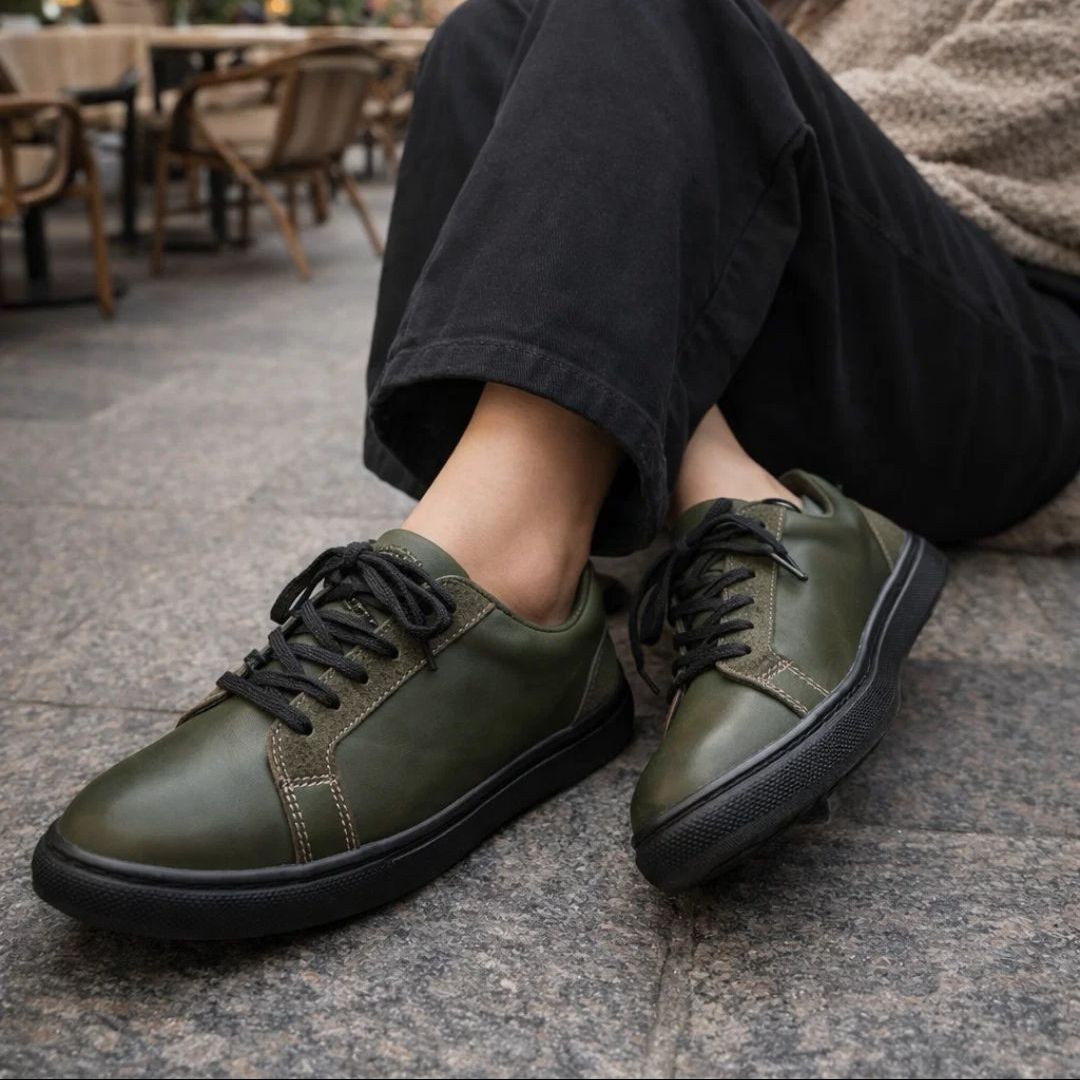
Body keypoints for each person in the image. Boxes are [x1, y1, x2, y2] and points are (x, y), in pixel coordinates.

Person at [31, 0, 1079, 938]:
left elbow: (923, 136)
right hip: (789, 307)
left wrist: (670, 95)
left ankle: (503, 585)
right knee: (490, 31)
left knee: (652, 23)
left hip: (1005, 351)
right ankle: (698, 506)